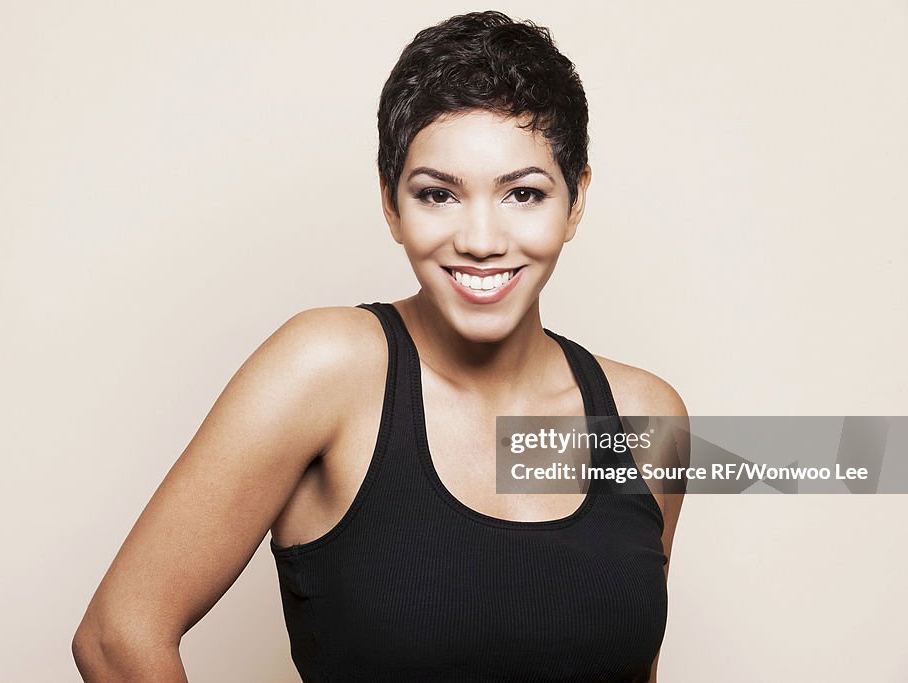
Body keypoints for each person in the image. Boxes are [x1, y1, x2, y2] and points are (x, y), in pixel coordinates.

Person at [72, 10, 687, 683]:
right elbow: (117, 636)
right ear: (392, 205)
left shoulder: (648, 419)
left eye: (523, 193)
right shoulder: (325, 369)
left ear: (575, 202)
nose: (481, 238)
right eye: (438, 194)